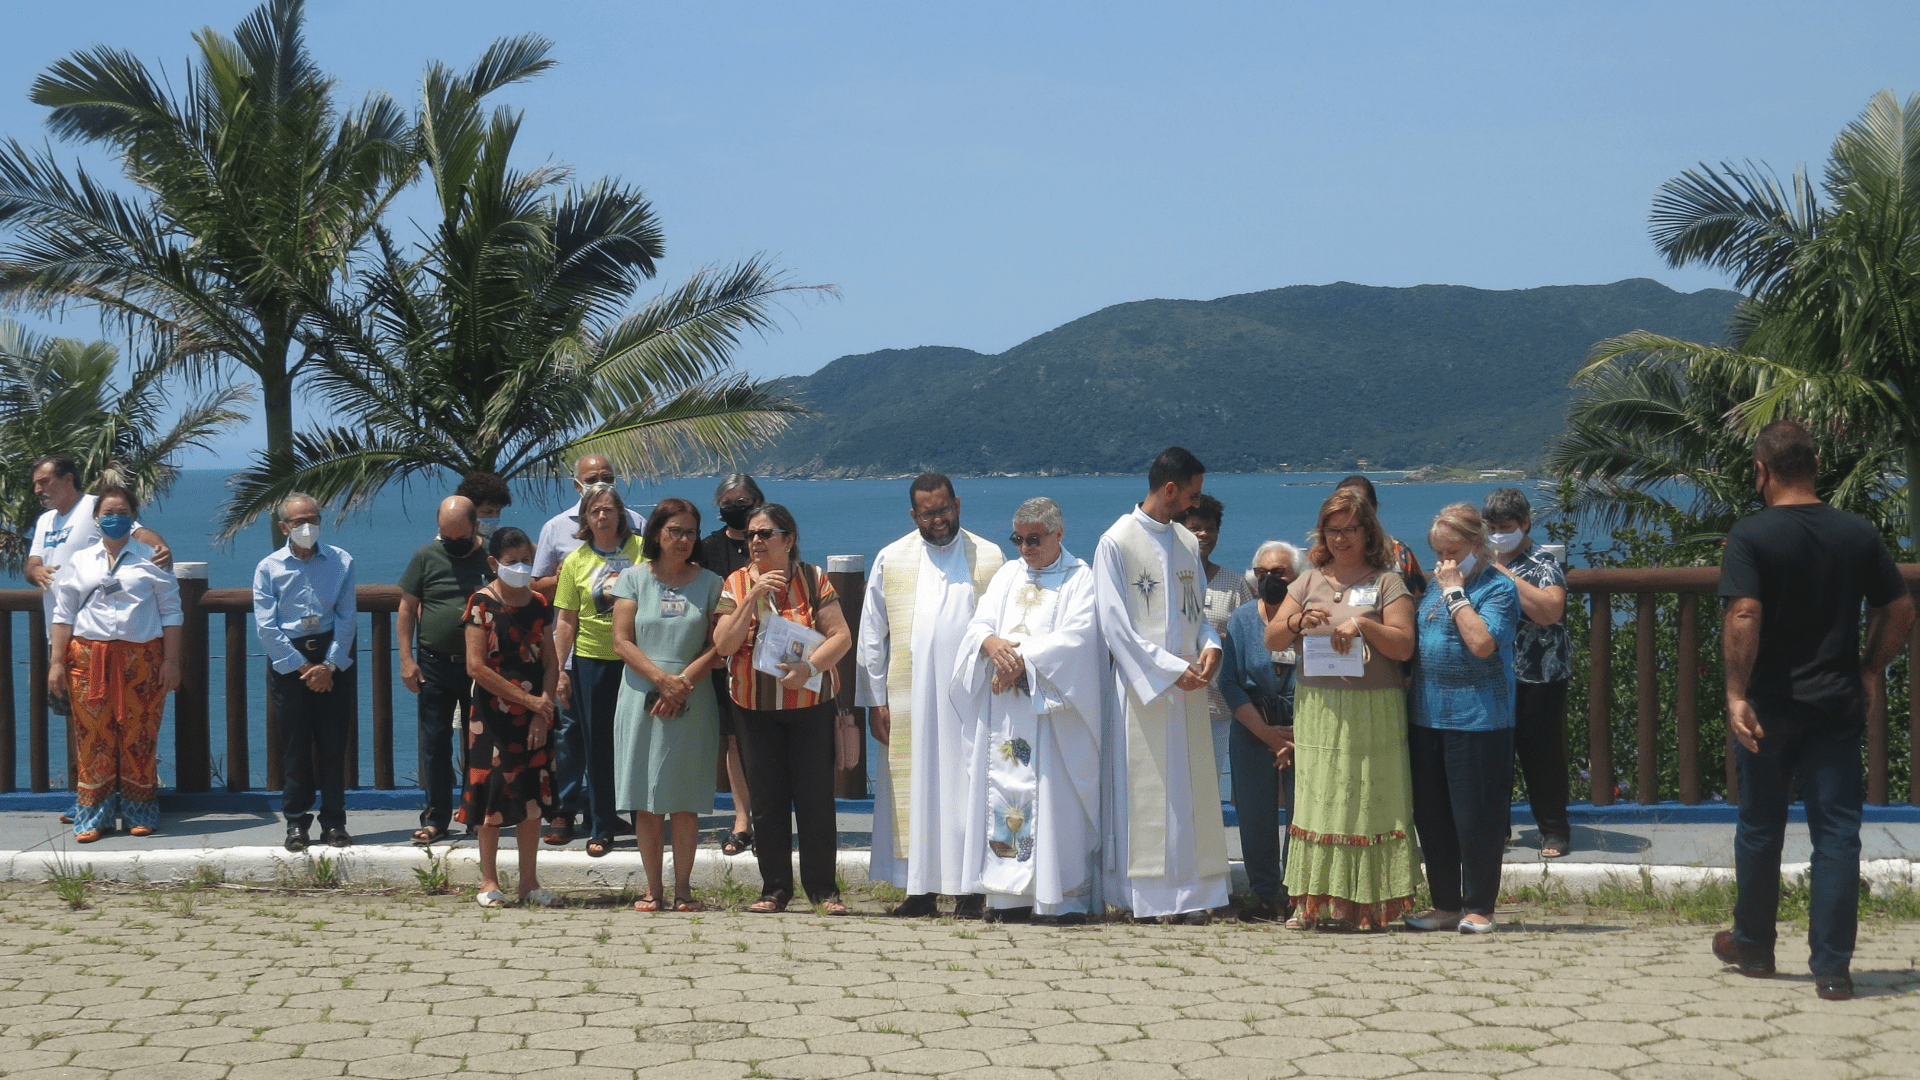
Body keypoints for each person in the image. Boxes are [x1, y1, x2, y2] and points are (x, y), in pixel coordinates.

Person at [1715, 420, 1913, 1002]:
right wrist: (1870, 668)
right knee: (1836, 835)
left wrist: (1734, 693)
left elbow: (1744, 614)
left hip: (1770, 706)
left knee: (1759, 826)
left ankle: (1753, 946)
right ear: (1817, 463)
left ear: (1762, 470)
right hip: (1836, 703)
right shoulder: (1856, 532)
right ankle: (1832, 969)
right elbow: (1899, 608)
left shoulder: (1752, 535)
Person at [1264, 486, 1420, 931]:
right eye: (1332, 530)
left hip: (1373, 709)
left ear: (1368, 532)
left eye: (1349, 529)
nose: (1340, 539)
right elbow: (1272, 639)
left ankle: (1368, 905)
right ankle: (1310, 905)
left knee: (1369, 800)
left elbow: (1405, 645)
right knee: (1319, 800)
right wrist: (1297, 621)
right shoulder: (1309, 581)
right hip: (1319, 707)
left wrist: (1365, 625)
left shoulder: (1388, 581)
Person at [856, 473, 1006, 917]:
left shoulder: (991, 555)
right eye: (928, 513)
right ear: (913, 514)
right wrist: (875, 701)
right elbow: (871, 634)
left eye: (944, 509)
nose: (938, 519)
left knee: (970, 787)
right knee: (915, 790)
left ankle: (971, 889)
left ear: (957, 504)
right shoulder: (892, 557)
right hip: (910, 701)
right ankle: (917, 890)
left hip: (972, 697)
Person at [951, 498, 1104, 925]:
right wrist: (991, 647)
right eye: (1018, 538)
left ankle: (1057, 899)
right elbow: (978, 624)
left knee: (1052, 800)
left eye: (1034, 539)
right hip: (1004, 712)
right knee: (1004, 792)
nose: (1025, 548)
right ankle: (1006, 897)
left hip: (1050, 716)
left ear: (1059, 534)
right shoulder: (1006, 575)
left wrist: (1019, 664)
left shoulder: (1081, 579)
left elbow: (1078, 640)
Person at [1094, 447, 1229, 924]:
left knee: (1191, 793)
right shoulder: (1116, 542)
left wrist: (1211, 645)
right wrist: (1170, 668)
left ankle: (1195, 894)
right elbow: (1114, 626)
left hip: (1190, 689)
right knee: (1146, 795)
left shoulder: (1186, 544)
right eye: (1191, 495)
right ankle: (1146, 899)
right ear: (1169, 489)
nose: (1195, 506)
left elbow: (1197, 614)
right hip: (1143, 691)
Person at [713, 504, 854, 914]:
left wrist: (809, 667)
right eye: (751, 534)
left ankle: (823, 890)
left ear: (788, 539)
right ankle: (774, 888)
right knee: (767, 799)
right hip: (753, 706)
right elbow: (723, 646)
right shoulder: (736, 583)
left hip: (810, 704)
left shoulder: (812, 578)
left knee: (814, 799)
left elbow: (840, 636)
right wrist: (753, 597)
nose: (756, 541)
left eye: (766, 533)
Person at [24, 454, 168, 827]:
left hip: (122, 644)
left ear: (67, 479)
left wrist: (161, 548)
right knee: (87, 729)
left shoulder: (95, 506)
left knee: (127, 730)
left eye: (44, 481)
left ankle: (129, 804)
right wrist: (35, 569)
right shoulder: (46, 521)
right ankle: (90, 801)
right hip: (70, 636)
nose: (38, 489)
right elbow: (32, 562)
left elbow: (139, 533)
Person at [1404, 504, 1521, 935]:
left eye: (1453, 552)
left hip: (1480, 719)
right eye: (1438, 553)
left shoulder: (1497, 588)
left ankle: (1479, 906)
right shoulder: (1433, 587)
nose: (1444, 562)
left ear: (1477, 544)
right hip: (1427, 715)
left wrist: (1455, 594)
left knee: (1477, 816)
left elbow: (1483, 642)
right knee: (1432, 815)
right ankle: (1445, 903)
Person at [612, 498, 725, 913]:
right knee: (644, 797)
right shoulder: (631, 579)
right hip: (642, 693)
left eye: (690, 532)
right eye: (675, 530)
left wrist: (682, 683)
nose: (683, 539)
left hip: (693, 695)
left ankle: (683, 890)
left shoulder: (713, 582)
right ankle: (652, 889)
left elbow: (719, 645)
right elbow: (622, 640)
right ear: (656, 533)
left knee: (684, 797)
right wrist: (661, 681)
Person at [457, 527, 562, 908]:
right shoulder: (480, 603)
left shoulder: (538, 602)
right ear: (493, 562)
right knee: (493, 792)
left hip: (536, 712)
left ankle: (529, 881)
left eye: (525, 560)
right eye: (511, 560)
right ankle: (488, 879)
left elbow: (550, 660)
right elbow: (476, 667)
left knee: (533, 793)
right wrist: (528, 701)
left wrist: (542, 707)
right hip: (492, 716)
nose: (519, 567)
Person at [252, 493, 359, 852]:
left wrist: (327, 667)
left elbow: (347, 617)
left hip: (332, 661)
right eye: (298, 522)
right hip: (290, 665)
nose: (307, 527)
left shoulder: (342, 560)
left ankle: (335, 823)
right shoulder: (268, 567)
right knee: (294, 747)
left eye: (313, 519)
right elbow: (266, 627)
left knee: (333, 744)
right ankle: (296, 824)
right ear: (285, 526)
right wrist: (304, 668)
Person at [551, 482, 646, 855]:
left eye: (609, 509)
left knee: (639, 743)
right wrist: (559, 669)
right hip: (591, 662)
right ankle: (602, 823)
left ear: (621, 514)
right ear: (585, 519)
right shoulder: (575, 561)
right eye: (595, 511)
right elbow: (565, 621)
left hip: (637, 659)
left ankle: (646, 820)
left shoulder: (642, 551)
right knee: (598, 747)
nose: (603, 516)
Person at [1484, 487, 1573, 859]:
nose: (1499, 533)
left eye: (1506, 526)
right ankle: (1496, 828)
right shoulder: (1482, 559)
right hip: (1493, 673)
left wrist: (1503, 575)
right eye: (1492, 527)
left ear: (1525, 523)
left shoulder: (1542, 562)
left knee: (1542, 755)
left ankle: (1554, 830)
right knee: (1492, 753)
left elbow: (1550, 610)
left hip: (1540, 674)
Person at [398, 495, 493, 844]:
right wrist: (407, 660)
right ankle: (436, 817)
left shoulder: (491, 556)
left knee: (479, 741)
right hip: (435, 663)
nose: (452, 545)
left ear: (475, 527)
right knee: (435, 741)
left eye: (460, 538)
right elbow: (407, 608)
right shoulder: (426, 555)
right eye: (445, 537)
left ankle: (475, 813)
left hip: (479, 666)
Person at [1218, 540, 1302, 922]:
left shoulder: (1309, 618)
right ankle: (1265, 895)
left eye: (1279, 573)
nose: (1270, 580)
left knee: (1303, 814)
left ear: (1297, 577)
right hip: (1253, 725)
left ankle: (1297, 893)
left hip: (1302, 727)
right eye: (1262, 573)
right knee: (1254, 815)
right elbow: (1230, 683)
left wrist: (1293, 734)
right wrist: (1268, 735)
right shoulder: (1240, 619)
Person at [699, 473, 763, 857]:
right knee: (736, 742)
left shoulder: (770, 543)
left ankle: (769, 817)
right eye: (729, 502)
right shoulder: (707, 549)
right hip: (724, 659)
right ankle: (743, 820)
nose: (735, 508)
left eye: (743, 501)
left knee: (766, 742)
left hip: (767, 659)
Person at [1178, 493, 1250, 802]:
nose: (1204, 535)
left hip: (1218, 706)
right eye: (1194, 527)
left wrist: (1221, 644)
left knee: (1205, 790)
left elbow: (1250, 639)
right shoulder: (1168, 580)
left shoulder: (1233, 584)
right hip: (1175, 700)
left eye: (1210, 528)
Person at [531, 455, 645, 596]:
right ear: (577, 485)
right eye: (591, 480)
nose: (600, 484)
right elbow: (536, 585)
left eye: (607, 479)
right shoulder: (554, 528)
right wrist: (560, 578)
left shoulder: (637, 522)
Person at [1335, 475, 1427, 595]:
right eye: (1343, 505)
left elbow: (1418, 600)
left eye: (1360, 505)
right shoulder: (1321, 554)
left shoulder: (1398, 552)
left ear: (1374, 508)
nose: (1351, 511)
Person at [455, 472, 514, 541]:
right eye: (487, 512)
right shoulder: (451, 539)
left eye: (498, 511)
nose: (494, 516)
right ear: (467, 510)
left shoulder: (502, 541)